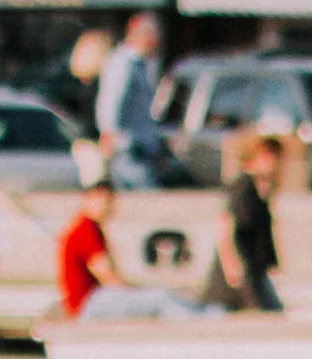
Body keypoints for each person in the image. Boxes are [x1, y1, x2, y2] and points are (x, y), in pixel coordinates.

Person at [56, 178, 202, 320]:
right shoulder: (85, 230)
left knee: (156, 296)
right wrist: (134, 293)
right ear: (88, 199)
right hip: (89, 304)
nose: (108, 207)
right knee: (159, 298)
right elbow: (107, 276)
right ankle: (198, 320)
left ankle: (199, 314)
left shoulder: (86, 227)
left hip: (90, 301)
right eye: (104, 201)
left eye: (110, 202)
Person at [197, 129, 284, 312]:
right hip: (237, 279)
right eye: (267, 155)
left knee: (272, 314)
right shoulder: (243, 187)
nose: (274, 162)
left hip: (254, 273)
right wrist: (231, 264)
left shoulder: (258, 191)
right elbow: (225, 225)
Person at [94, 12, 169, 189]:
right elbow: (111, 101)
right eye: (154, 36)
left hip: (139, 149)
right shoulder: (124, 63)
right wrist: (108, 133)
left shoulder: (140, 64)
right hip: (129, 149)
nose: (157, 42)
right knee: (148, 199)